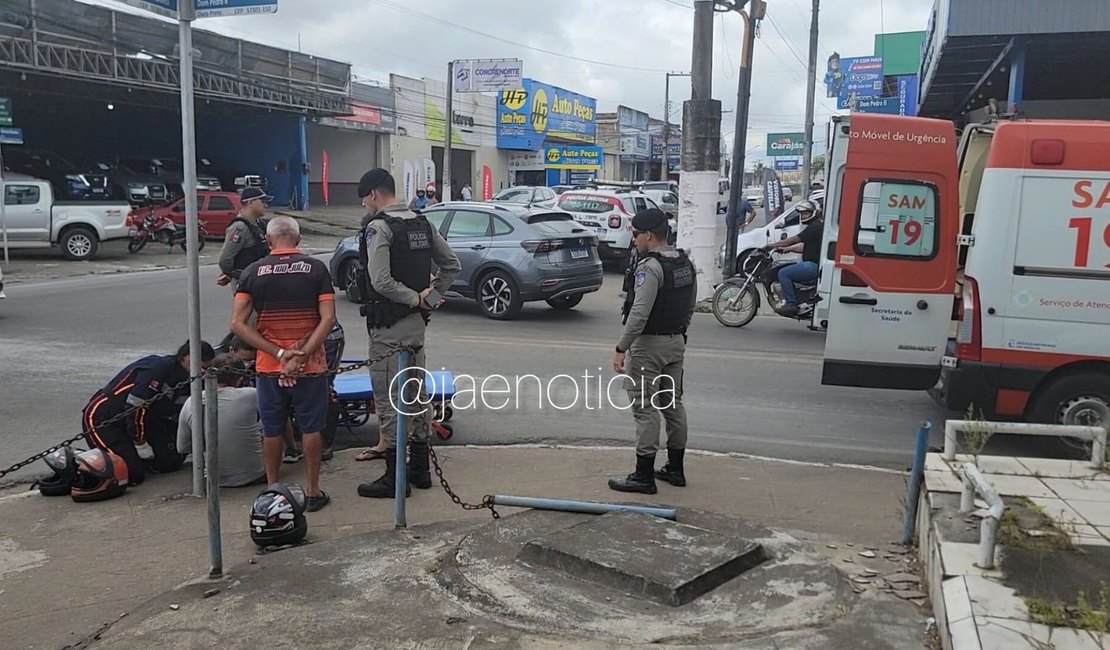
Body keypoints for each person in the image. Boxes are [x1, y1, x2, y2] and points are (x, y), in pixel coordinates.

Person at [353, 168, 461, 498]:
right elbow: (452, 264)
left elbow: (381, 280)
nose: (363, 207)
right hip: (417, 326)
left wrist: (415, 298)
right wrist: (430, 298)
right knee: (416, 396)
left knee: (389, 400)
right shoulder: (421, 222)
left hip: (389, 328)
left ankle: (394, 476)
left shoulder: (379, 227)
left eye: (363, 200)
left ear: (373, 194)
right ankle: (420, 470)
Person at [231, 216, 336, 512]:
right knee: (312, 427)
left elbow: (238, 323)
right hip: (311, 364)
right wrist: (302, 353)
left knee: (272, 429)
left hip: (268, 366)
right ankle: (314, 490)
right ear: (299, 240)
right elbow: (327, 318)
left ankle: (272, 490)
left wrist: (279, 354)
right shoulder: (316, 269)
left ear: (268, 241)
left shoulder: (253, 271)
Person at [610, 208, 697, 495]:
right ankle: (676, 468)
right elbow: (690, 305)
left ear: (648, 235)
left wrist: (621, 347)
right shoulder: (684, 262)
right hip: (676, 342)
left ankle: (643, 476)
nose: (633, 240)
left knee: (645, 408)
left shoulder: (650, 267)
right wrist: (679, 334)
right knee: (673, 404)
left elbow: (638, 314)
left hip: (649, 348)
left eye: (636, 235)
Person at [82, 341, 216, 485]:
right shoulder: (159, 367)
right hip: (104, 418)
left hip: (147, 420)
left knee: (170, 461)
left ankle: (132, 454)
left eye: (204, 364)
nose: (199, 366)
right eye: (197, 360)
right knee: (130, 473)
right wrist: (140, 443)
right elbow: (135, 407)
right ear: (184, 356)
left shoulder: (197, 379)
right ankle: (76, 462)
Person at [176, 355, 267, 488]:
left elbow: (182, 447)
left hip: (212, 479)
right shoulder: (252, 394)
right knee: (270, 423)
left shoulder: (192, 401)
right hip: (254, 475)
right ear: (240, 378)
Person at [762, 199, 821, 316]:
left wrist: (773, 245)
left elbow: (793, 239)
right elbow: (805, 247)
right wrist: (787, 249)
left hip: (813, 265)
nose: (803, 216)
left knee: (783, 273)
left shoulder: (814, 227)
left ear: (813, 213)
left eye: (806, 213)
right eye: (802, 214)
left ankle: (791, 304)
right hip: (813, 264)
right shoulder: (816, 226)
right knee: (787, 268)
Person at [217, 187, 272, 288]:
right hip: (246, 283)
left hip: (259, 280)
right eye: (262, 201)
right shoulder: (240, 228)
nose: (266, 205)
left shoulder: (259, 224)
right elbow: (225, 259)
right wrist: (232, 275)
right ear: (251, 203)